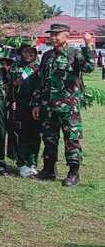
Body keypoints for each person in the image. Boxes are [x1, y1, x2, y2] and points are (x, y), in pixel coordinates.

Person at [32, 25, 95, 186]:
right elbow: (41, 81)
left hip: (68, 107)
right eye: (51, 34)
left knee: (71, 139)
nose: (52, 37)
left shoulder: (75, 54)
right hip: (48, 106)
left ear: (66, 36)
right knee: (49, 138)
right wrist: (37, 104)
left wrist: (89, 45)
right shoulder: (47, 56)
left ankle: (73, 173)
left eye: (56, 34)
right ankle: (48, 170)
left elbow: (89, 67)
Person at [10, 43, 41, 178]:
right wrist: (12, 102)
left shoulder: (39, 68)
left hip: (36, 105)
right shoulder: (15, 67)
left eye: (33, 52)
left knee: (35, 135)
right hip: (21, 105)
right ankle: (22, 164)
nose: (30, 55)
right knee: (22, 135)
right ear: (21, 53)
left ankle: (32, 163)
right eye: (27, 52)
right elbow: (11, 86)